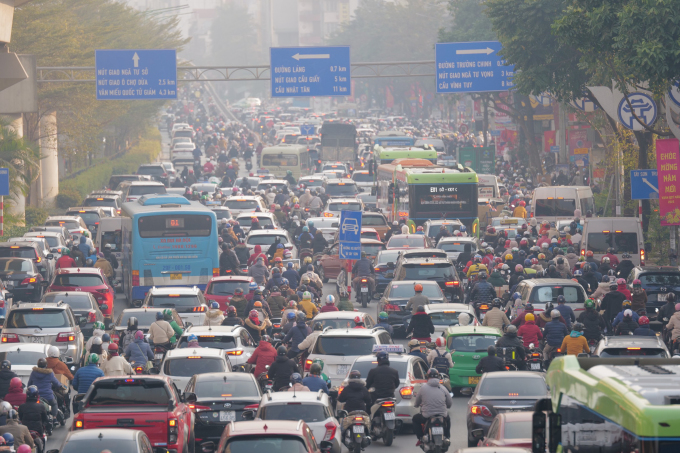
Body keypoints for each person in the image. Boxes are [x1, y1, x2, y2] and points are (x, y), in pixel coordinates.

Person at [412, 368, 453, 444]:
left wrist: (416, 405)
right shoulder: (443, 388)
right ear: (438, 377)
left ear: (428, 377)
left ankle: (420, 438)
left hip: (427, 415)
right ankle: (447, 437)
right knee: (448, 419)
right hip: (442, 415)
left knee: (415, 419)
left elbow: (417, 402)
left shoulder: (423, 388)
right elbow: (449, 403)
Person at [337, 370, 372, 441]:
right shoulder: (364, 388)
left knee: (342, 426)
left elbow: (340, 399)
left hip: (349, 411)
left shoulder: (347, 388)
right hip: (362, 411)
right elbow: (369, 400)